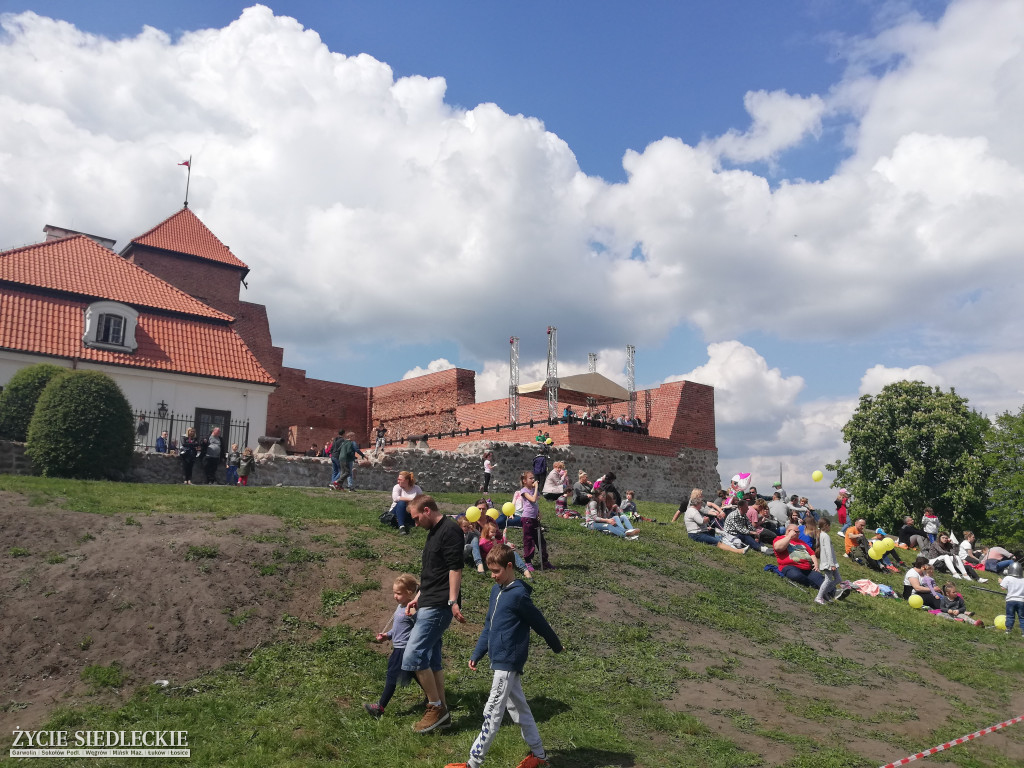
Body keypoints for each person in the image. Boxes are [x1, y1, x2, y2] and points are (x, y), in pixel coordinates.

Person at [445, 543, 562, 768]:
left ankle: (473, 763)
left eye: (497, 571)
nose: (493, 576)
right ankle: (540, 757)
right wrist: (478, 652)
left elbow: (539, 622)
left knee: (492, 712)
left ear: (510, 567)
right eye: (491, 571)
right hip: (498, 660)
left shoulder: (518, 596)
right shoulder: (495, 591)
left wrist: (555, 645)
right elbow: (489, 625)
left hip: (508, 662)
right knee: (520, 710)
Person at [402, 494, 466, 733]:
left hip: (439, 605)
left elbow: (454, 568)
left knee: (414, 656)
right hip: (428, 601)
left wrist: (452, 601)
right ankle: (444, 712)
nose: (415, 524)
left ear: (427, 510)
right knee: (433, 660)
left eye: (416, 518)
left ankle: (435, 706)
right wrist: (417, 599)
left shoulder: (450, 530)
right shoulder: (434, 532)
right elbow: (432, 573)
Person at [364, 573, 421, 719]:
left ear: (409, 593)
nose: (395, 596)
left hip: (403, 649)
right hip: (400, 647)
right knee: (417, 674)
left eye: (399, 593)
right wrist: (387, 635)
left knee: (392, 675)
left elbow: (420, 626)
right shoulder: (400, 606)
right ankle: (433, 698)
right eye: (394, 593)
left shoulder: (412, 609)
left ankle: (380, 707)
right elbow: (397, 628)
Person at [680, 489, 747, 554]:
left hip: (698, 532)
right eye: (700, 504)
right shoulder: (694, 511)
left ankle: (736, 546)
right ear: (697, 503)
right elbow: (702, 519)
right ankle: (738, 551)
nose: (701, 505)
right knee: (718, 541)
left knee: (717, 536)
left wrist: (718, 513)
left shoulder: (692, 508)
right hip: (696, 534)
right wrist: (707, 519)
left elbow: (707, 509)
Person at [773, 524, 825, 589]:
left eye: (799, 532)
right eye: (796, 532)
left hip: (807, 568)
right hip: (790, 566)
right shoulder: (780, 539)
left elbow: (812, 554)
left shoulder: (802, 543)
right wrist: (789, 536)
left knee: (819, 577)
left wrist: (816, 565)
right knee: (796, 575)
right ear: (789, 531)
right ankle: (812, 584)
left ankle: (834, 591)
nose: (798, 533)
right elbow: (778, 548)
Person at [519, 471, 552, 570]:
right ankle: (528, 561)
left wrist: (538, 513)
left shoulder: (534, 490)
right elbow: (532, 500)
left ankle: (544, 561)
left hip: (534, 518)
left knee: (541, 541)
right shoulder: (524, 491)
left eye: (533, 478)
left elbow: (535, 503)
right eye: (530, 478)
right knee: (529, 540)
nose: (533, 480)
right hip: (527, 518)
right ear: (524, 481)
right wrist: (536, 487)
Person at [814, 517, 849, 604]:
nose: (830, 528)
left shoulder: (822, 534)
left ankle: (825, 593)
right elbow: (828, 551)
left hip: (831, 562)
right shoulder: (825, 536)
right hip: (828, 563)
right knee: (828, 580)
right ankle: (819, 597)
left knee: (838, 579)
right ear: (826, 526)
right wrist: (831, 564)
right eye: (829, 526)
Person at [389, 471, 423, 535]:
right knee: (401, 502)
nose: (398, 481)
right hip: (395, 512)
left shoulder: (416, 488)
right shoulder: (397, 487)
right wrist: (412, 500)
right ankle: (401, 527)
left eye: (400, 480)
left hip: (409, 512)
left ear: (407, 480)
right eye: (398, 479)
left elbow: (422, 500)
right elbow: (396, 498)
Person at [999, 561, 1024, 636]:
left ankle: (1008, 630)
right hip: (1021, 601)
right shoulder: (1023, 580)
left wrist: (1001, 581)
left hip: (1010, 600)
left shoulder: (1008, 578)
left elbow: (1003, 587)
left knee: (1010, 615)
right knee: (1022, 617)